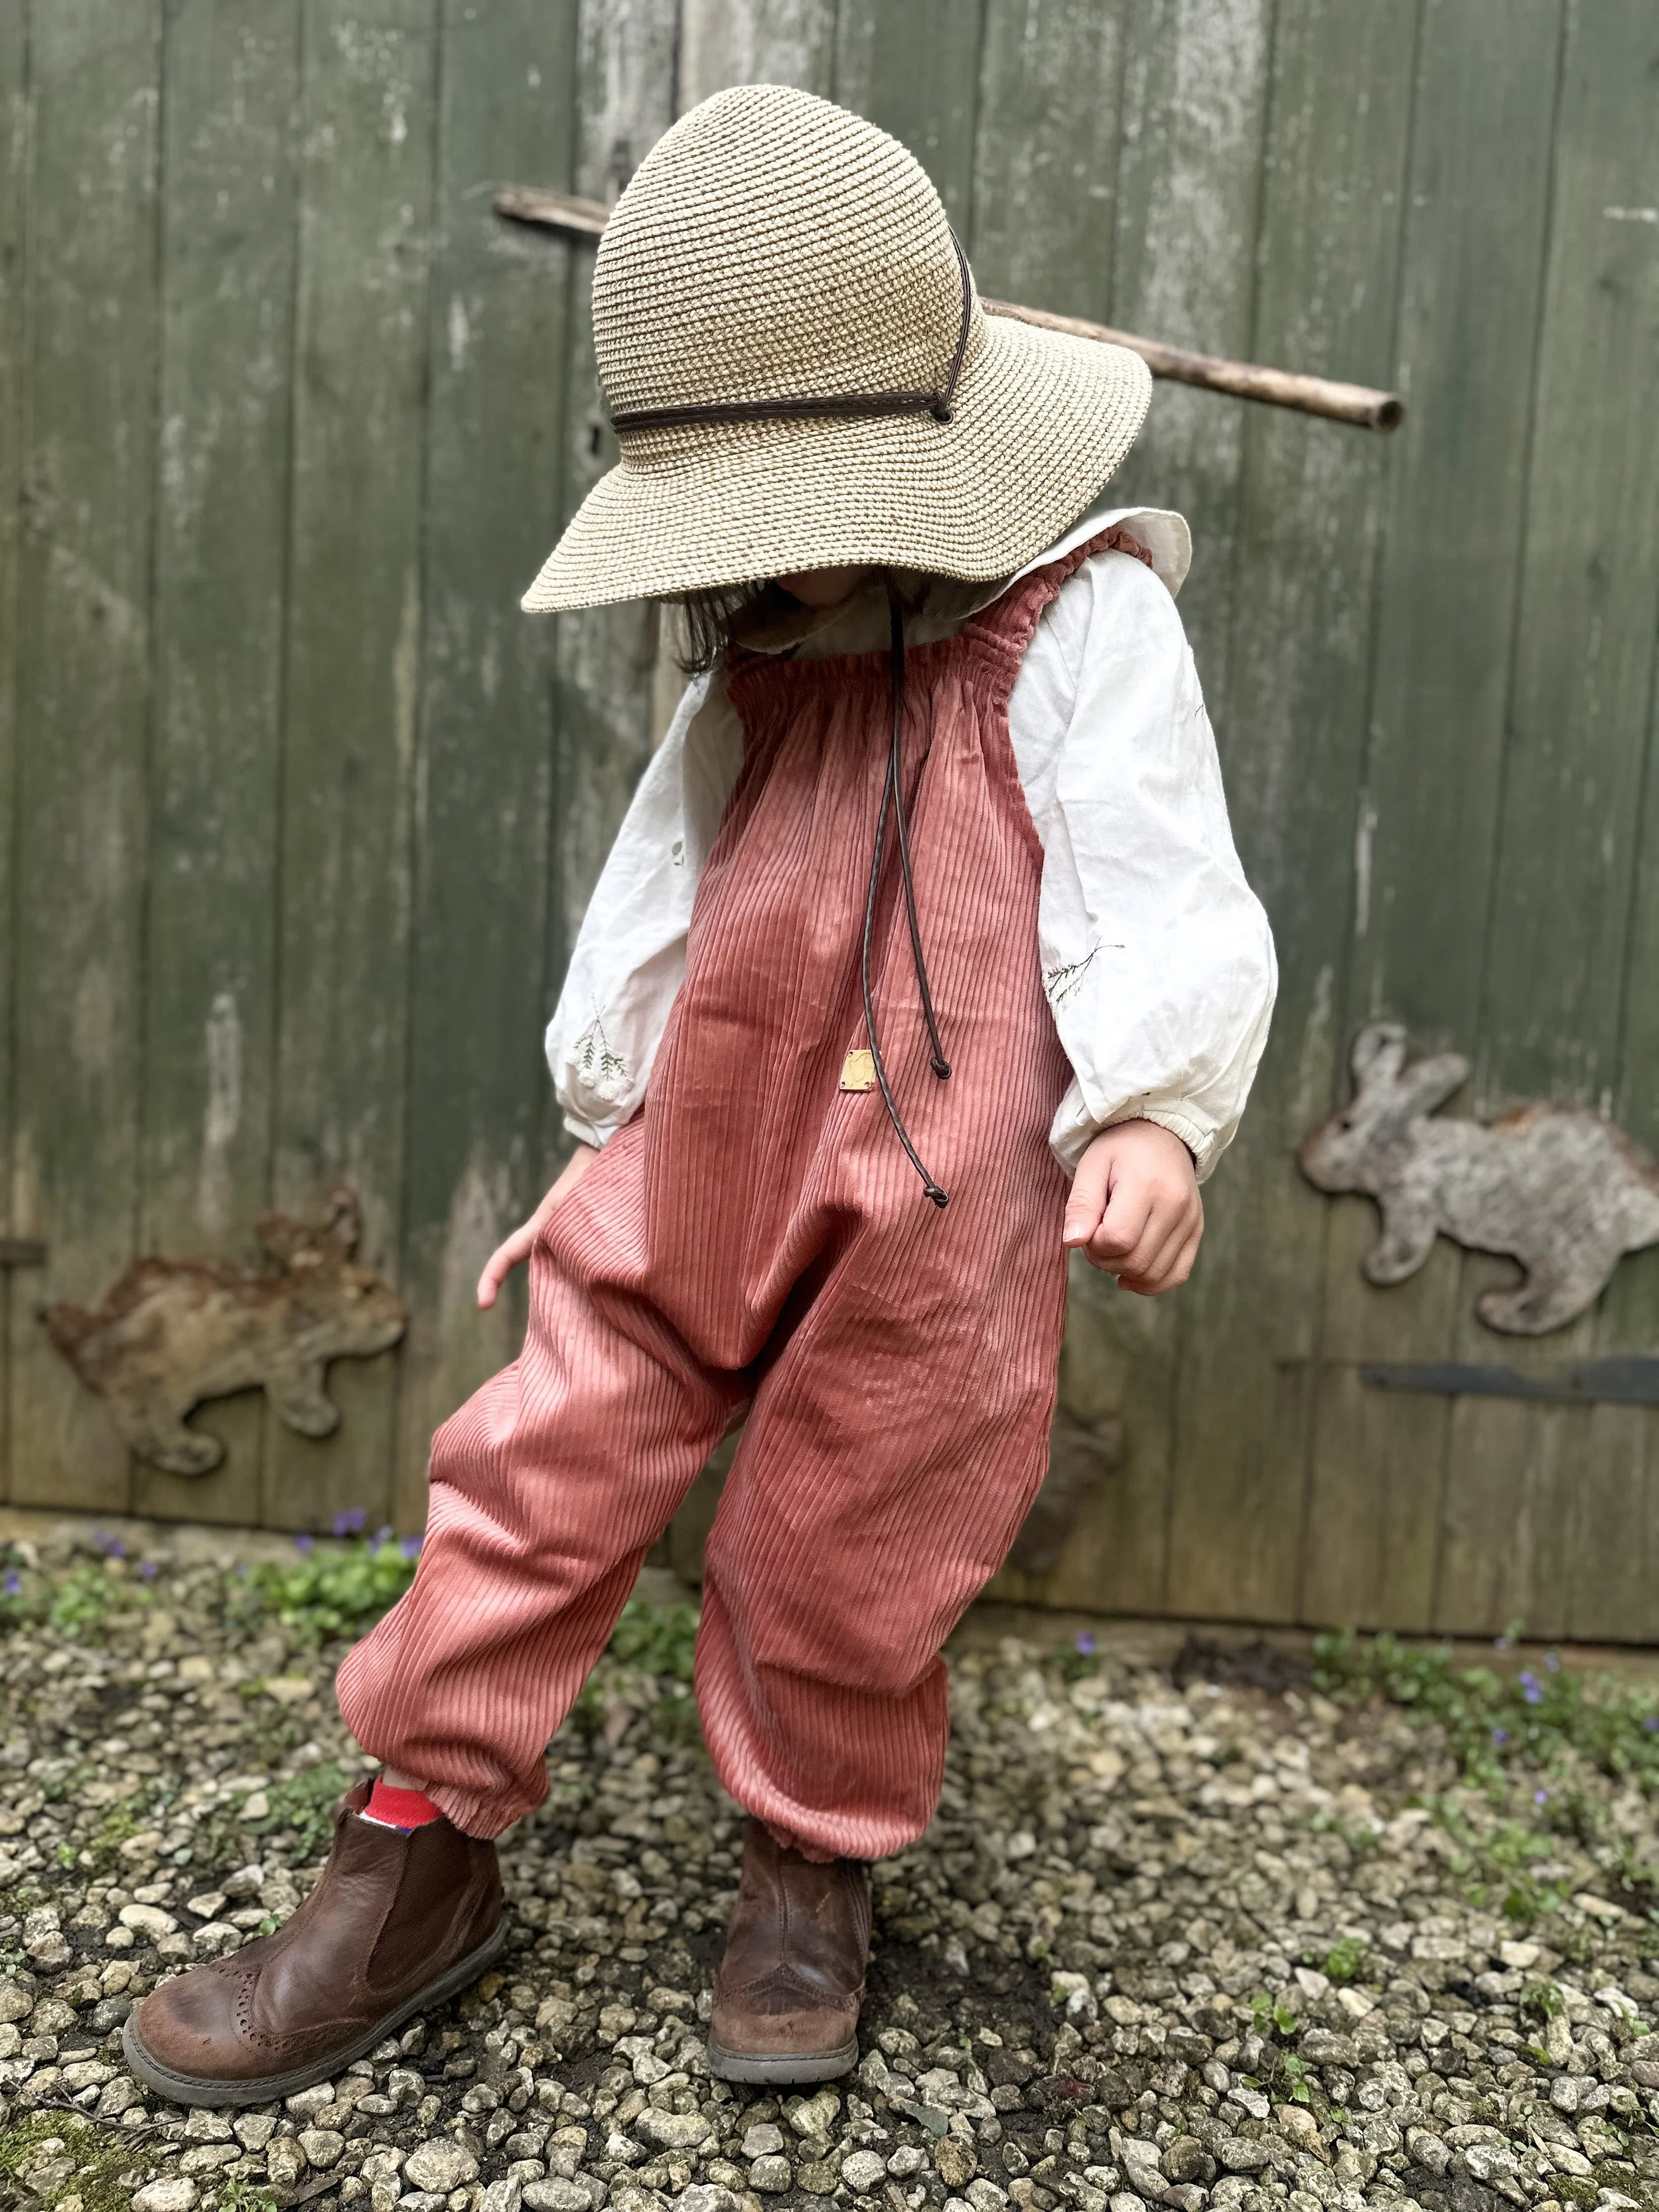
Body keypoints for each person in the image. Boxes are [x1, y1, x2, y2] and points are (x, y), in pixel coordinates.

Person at [125, 82, 1275, 2107]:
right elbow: (661, 890)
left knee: (858, 1519)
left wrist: (1155, 1115)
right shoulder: (754, 659)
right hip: (705, 1140)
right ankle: (415, 1848)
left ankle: (809, 1865)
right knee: (539, 1452)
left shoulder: (1082, 619)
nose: (748, 568)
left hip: (943, 1188)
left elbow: (1160, 877)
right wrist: (595, 1140)